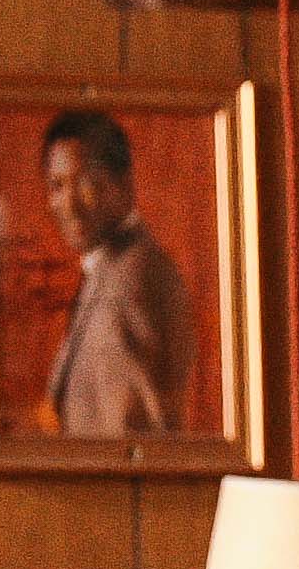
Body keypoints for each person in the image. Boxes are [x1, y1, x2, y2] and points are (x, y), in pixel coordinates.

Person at [34, 108, 192, 439]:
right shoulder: (110, 267)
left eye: (84, 183)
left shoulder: (131, 278)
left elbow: (129, 433)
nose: (68, 202)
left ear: (123, 184)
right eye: (56, 185)